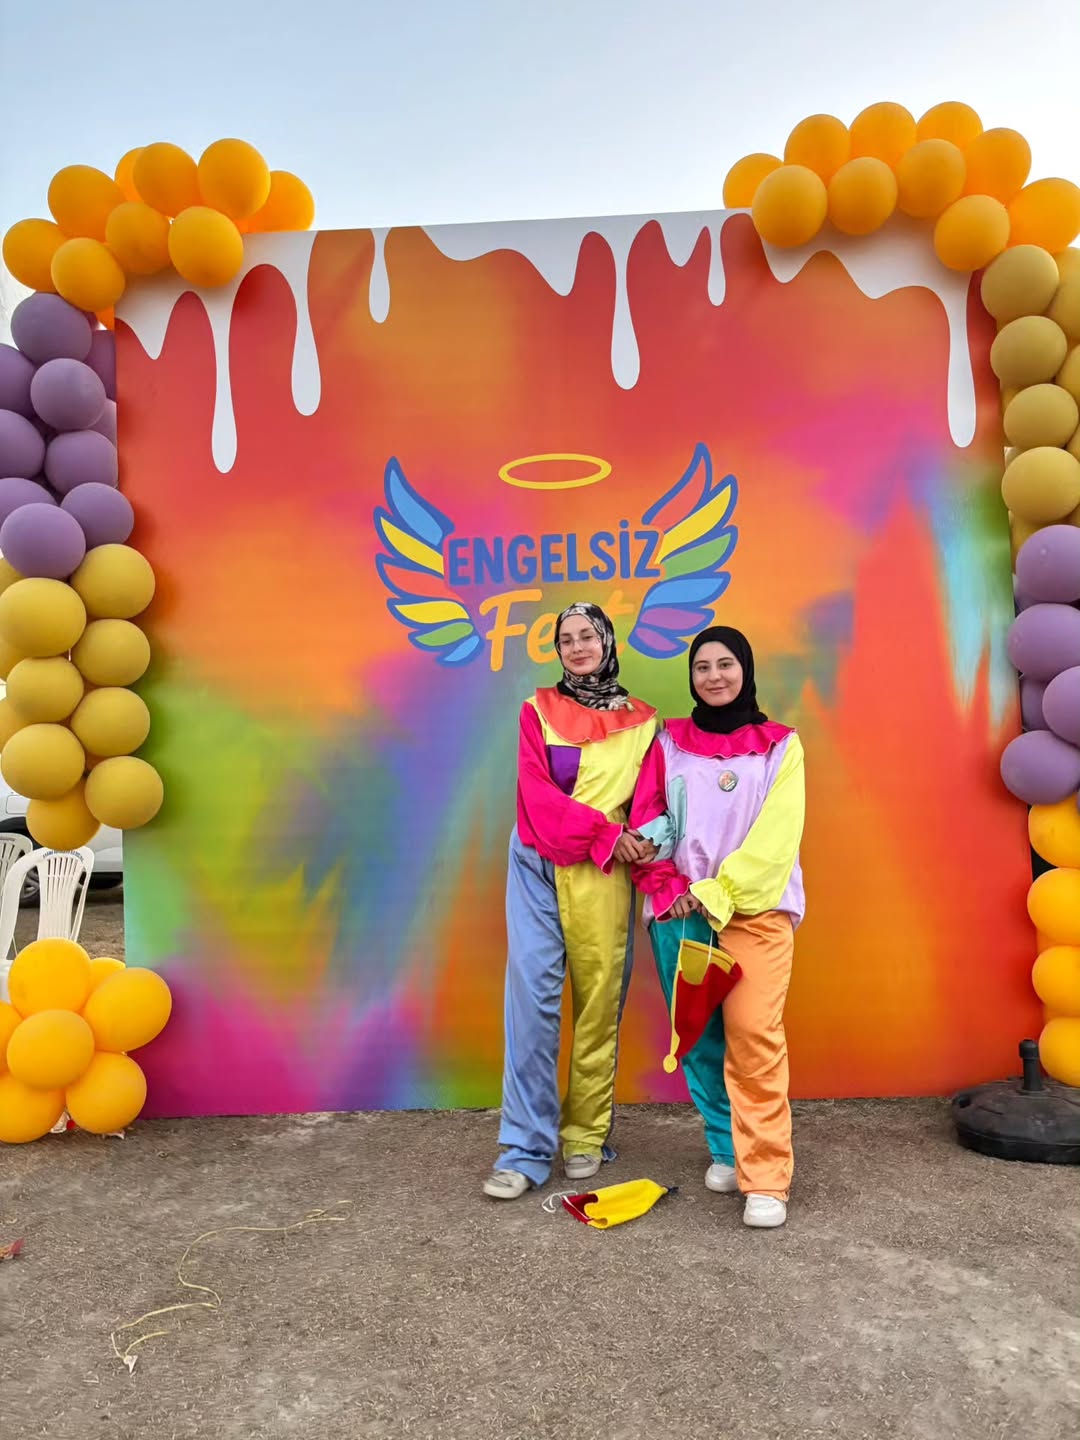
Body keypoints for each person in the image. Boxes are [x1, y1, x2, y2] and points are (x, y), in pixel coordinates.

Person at [629, 626, 805, 1229]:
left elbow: (776, 841)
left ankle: (767, 1177)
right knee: (699, 1039)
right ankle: (728, 1150)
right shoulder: (667, 741)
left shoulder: (781, 746)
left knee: (754, 1036)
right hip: (679, 911)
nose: (714, 676)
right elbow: (650, 819)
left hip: (753, 914)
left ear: (745, 669)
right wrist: (665, 884)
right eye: (702, 667)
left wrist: (715, 892)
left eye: (725, 664)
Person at [483, 602, 659, 1200]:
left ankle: (586, 1133)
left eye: (588, 635)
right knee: (532, 1002)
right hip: (540, 859)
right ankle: (524, 1150)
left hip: (604, 873)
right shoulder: (536, 710)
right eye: (566, 639)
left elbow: (648, 805)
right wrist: (604, 833)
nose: (578, 646)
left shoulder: (644, 722)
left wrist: (646, 849)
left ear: (607, 641)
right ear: (557, 649)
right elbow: (535, 796)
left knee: (600, 1001)